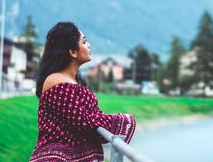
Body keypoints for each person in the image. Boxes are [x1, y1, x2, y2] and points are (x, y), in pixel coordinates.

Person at [29, 22, 136, 162]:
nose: (89, 45)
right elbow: (82, 121)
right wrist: (123, 120)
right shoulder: (55, 81)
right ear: (72, 52)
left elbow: (91, 119)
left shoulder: (73, 82)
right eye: (84, 41)